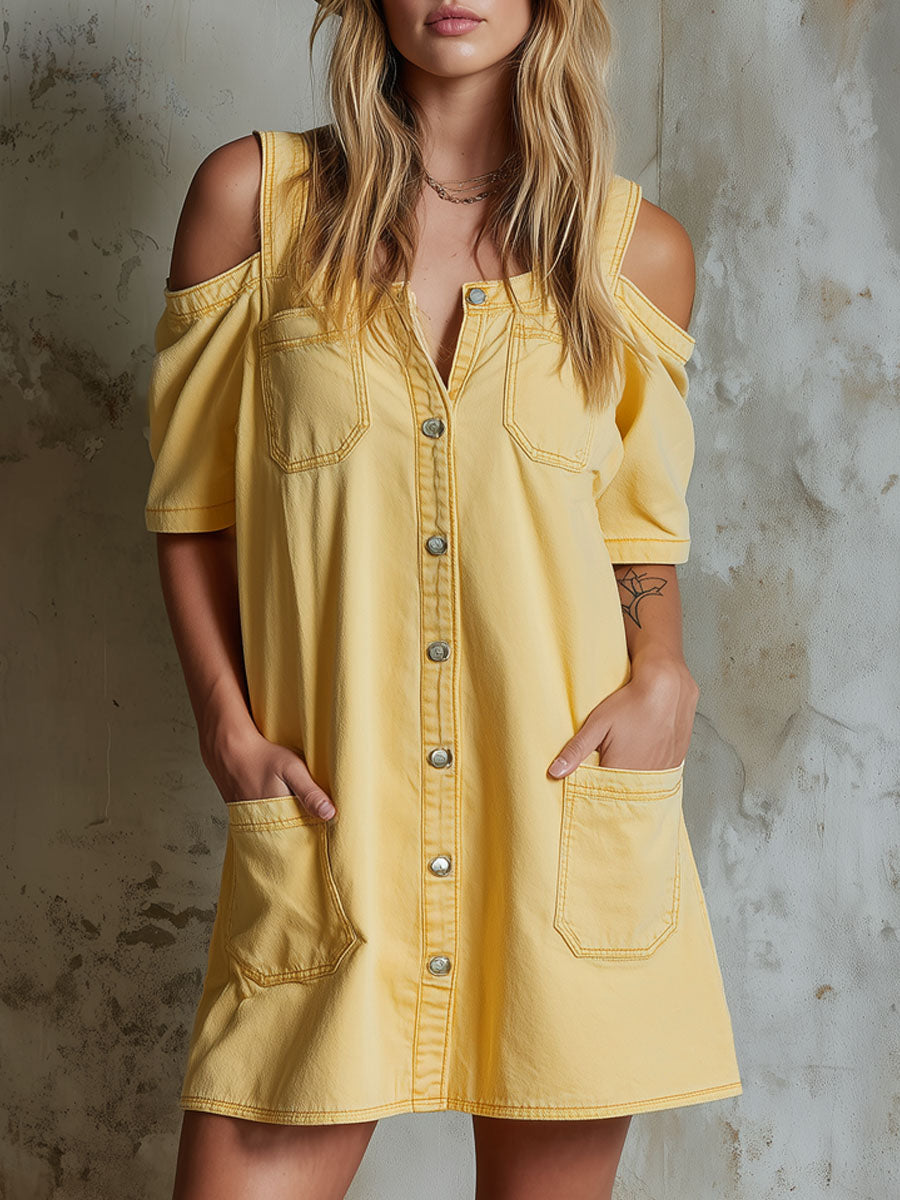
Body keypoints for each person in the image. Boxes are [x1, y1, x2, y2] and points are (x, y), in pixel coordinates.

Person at [144, 1, 742, 1196]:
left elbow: (636, 529)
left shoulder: (634, 252)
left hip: (559, 823)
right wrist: (225, 721)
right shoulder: (251, 205)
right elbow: (194, 506)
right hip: (337, 828)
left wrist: (663, 672)